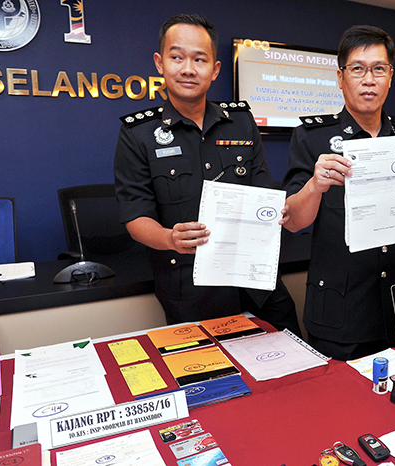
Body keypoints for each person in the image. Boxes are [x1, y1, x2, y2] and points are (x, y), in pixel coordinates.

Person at [114, 14, 300, 334]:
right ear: (160, 63)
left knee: (294, 370)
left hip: (256, 283)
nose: (188, 68)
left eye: (199, 59)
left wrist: (277, 209)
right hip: (190, 290)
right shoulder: (138, 134)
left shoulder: (241, 122)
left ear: (214, 70)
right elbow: (136, 217)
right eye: (177, 57)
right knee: (214, 380)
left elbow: (261, 191)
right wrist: (169, 238)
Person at [282, 25, 395, 360]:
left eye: (378, 69)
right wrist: (315, 185)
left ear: (390, 76)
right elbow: (293, 221)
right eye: (358, 69)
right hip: (341, 312)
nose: (368, 79)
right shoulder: (311, 137)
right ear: (341, 77)